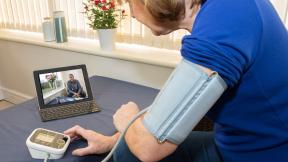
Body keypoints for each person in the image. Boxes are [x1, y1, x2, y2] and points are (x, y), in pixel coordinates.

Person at [64, 0, 288, 161]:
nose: (130, 12)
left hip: (261, 154)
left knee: (130, 154)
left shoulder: (225, 22)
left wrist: (127, 120)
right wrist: (112, 141)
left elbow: (148, 148)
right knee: (124, 148)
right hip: (237, 144)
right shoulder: (224, 11)